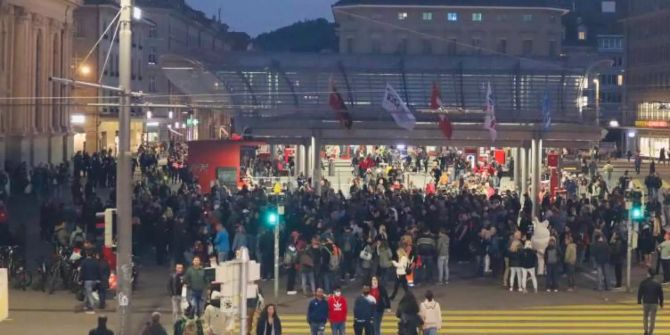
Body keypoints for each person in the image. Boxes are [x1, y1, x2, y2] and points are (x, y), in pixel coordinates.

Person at [638, 270, 664, 335]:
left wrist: (639, 300)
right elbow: (661, 294)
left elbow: (640, 292)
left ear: (648, 274)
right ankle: (650, 332)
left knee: (645, 317)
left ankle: (646, 330)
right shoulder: (657, 284)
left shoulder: (643, 283)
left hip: (646, 302)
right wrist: (661, 303)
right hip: (654, 303)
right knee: (653, 318)